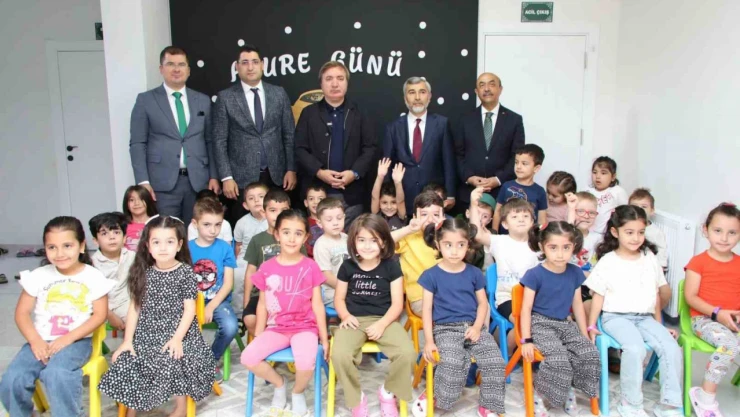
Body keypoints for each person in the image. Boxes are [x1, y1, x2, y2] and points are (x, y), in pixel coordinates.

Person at [98, 215, 215, 416]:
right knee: (129, 360)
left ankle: (181, 407)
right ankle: (132, 408)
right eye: (156, 242)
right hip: (148, 334)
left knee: (173, 358)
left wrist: (177, 339)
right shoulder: (143, 273)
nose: (163, 248)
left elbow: (190, 310)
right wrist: (128, 341)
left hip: (181, 333)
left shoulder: (185, 272)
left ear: (179, 245)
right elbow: (134, 309)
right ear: (148, 246)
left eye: (169, 242)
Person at [0, 217, 112, 417]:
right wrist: (35, 341)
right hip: (40, 341)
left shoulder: (93, 277)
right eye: (52, 247)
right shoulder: (38, 275)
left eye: (67, 246)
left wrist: (67, 338)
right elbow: (21, 313)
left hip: (76, 342)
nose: (60, 254)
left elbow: (100, 315)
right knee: (13, 378)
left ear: (81, 246)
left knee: (57, 374)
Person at [586, 205, 682, 417]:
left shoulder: (649, 257)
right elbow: (598, 296)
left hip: (645, 318)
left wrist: (660, 324)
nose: (636, 238)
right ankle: (630, 403)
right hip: (615, 318)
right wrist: (592, 325)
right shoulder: (608, 261)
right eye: (629, 232)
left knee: (671, 346)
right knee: (635, 348)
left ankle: (669, 403)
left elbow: (655, 294)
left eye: (640, 232)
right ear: (615, 232)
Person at [414, 218, 507, 417]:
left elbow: (483, 304)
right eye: (448, 245)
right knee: (452, 361)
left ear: (468, 245)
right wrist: (429, 341)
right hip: (445, 329)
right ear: (438, 244)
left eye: (460, 245)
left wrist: (477, 327)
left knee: (495, 361)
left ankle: (489, 405)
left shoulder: (475, 273)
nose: (454, 251)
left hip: (474, 327)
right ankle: (435, 395)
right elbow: (427, 310)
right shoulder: (430, 275)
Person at [241, 210, 328, 417]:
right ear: (277, 234)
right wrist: (259, 333)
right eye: (286, 232)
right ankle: (279, 384)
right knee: (248, 357)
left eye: (298, 233)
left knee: (306, 363)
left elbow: (317, 304)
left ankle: (298, 392)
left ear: (306, 237)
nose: (291, 238)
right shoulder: (266, 267)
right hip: (276, 328)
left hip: (304, 328)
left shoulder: (311, 266)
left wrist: (324, 338)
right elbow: (262, 304)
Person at [332, 214, 416, 417]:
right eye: (361, 240)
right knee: (339, 355)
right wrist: (345, 316)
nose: (367, 246)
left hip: (385, 320)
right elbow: (339, 299)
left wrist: (382, 324)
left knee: (407, 353)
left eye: (373, 240)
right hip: (354, 321)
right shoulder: (347, 266)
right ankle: (356, 398)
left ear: (384, 242)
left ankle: (388, 393)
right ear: (353, 242)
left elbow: (397, 304)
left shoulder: (391, 266)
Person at [129, 46, 220, 225]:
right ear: (161, 69)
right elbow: (138, 144)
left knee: (196, 233)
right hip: (161, 184)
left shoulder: (202, 100)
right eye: (170, 64)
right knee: (165, 232)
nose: (176, 69)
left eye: (181, 64)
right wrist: (143, 182)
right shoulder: (146, 100)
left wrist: (214, 176)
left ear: (188, 70)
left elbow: (210, 141)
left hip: (198, 183)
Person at [520, 221, 600, 416]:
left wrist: (584, 334)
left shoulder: (575, 272)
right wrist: (526, 340)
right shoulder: (534, 274)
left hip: (565, 324)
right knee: (558, 360)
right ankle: (539, 393)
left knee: (590, 353)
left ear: (574, 247)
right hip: (541, 324)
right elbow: (526, 309)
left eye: (566, 247)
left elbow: (577, 305)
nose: (560, 254)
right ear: (542, 247)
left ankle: (569, 388)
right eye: (553, 247)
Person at [212, 44, 297, 224]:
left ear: (262, 65)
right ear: (237, 67)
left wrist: (291, 169)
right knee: (245, 228)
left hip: (276, 176)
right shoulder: (225, 97)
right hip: (241, 179)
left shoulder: (279, 93)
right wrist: (226, 177)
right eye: (245, 62)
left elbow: (289, 135)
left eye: (255, 62)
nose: (250, 67)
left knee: (279, 225)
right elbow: (219, 140)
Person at [295, 61, 377, 226]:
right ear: (321, 84)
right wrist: (319, 172)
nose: (334, 84)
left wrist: (354, 173)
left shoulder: (360, 112)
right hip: (317, 194)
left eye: (340, 78)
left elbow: (370, 148)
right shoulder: (309, 113)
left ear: (347, 83)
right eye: (329, 79)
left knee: (351, 240)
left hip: (352, 195)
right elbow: (299, 149)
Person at [684, 203, 740, 417]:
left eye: (732, 232)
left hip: (733, 319)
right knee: (729, 345)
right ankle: (705, 397)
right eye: (718, 231)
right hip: (705, 320)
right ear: (706, 230)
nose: (724, 238)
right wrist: (718, 313)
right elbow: (691, 297)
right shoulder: (698, 262)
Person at [470, 190, 539, 353]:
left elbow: (564, 238)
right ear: (505, 224)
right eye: (514, 217)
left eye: (525, 216)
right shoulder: (499, 241)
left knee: (543, 322)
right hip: (507, 299)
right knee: (525, 322)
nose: (521, 219)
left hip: (535, 299)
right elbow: (477, 234)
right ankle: (507, 352)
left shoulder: (539, 245)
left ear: (532, 222)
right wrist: (473, 204)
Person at [383, 77, 457, 214]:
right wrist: (387, 199)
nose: (417, 97)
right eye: (412, 92)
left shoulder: (442, 124)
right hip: (403, 201)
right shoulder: (393, 128)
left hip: (434, 200)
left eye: (422, 92)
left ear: (429, 96)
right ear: (405, 98)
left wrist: (451, 194)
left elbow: (449, 162)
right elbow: (387, 167)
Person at [453, 72, 525, 212]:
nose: (486, 89)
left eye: (491, 84)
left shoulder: (514, 120)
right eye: (482, 85)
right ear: (476, 91)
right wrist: (470, 177)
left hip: (502, 194)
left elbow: (517, 156)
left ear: (500, 89)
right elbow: (457, 154)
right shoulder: (464, 119)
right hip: (469, 194)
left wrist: (498, 179)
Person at [241, 190, 305, 337]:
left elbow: (303, 269)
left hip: (289, 294)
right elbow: (250, 271)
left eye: (283, 210)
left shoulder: (295, 239)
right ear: (263, 213)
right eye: (273, 210)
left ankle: (280, 341)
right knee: (250, 319)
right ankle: (266, 344)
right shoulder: (257, 240)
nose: (278, 215)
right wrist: (246, 300)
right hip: (260, 295)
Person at [188, 197, 238, 382]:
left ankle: (210, 361)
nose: (213, 230)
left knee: (230, 327)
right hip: (190, 301)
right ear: (195, 224)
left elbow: (228, 284)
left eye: (218, 225)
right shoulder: (186, 249)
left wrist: (210, 306)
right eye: (207, 224)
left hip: (218, 301)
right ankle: (185, 364)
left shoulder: (225, 248)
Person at [391, 191, 446, 316]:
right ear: (415, 217)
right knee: (446, 314)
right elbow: (382, 241)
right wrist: (409, 229)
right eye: (424, 214)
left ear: (443, 216)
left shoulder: (448, 235)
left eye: (436, 214)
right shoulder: (409, 237)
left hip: (448, 292)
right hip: (420, 296)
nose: (430, 219)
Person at [89, 212, 135, 331]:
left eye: (116, 232)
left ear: (124, 238)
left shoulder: (133, 257)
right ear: (95, 240)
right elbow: (90, 297)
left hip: (131, 304)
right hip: (105, 308)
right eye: (104, 233)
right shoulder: (91, 265)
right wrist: (109, 315)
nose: (112, 237)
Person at [492, 144, 547, 232]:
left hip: (528, 238)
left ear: (536, 168)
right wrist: (494, 234)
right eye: (516, 162)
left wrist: (537, 238)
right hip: (505, 237)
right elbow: (497, 212)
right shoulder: (506, 186)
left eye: (524, 163)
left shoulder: (540, 191)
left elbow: (542, 221)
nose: (518, 166)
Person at [233, 182, 269, 310]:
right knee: (238, 274)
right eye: (251, 198)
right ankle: (239, 312)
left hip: (268, 256)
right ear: (246, 205)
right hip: (246, 258)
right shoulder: (241, 223)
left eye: (261, 197)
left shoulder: (273, 220)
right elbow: (238, 246)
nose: (256, 200)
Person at [313, 197, 349, 307]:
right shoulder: (321, 244)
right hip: (332, 294)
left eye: (339, 218)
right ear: (319, 223)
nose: (335, 223)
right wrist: (347, 289)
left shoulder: (347, 238)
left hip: (351, 289)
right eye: (329, 220)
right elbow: (326, 275)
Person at [629, 188, 668, 271]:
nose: (639, 210)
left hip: (648, 268)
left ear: (652, 211)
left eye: (644, 207)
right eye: (634, 206)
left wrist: (660, 267)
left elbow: (661, 251)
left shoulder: (655, 232)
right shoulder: (625, 228)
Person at [587, 156, 627, 235]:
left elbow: (625, 213)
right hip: (588, 233)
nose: (597, 176)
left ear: (613, 177)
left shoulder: (617, 191)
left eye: (603, 173)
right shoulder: (587, 191)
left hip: (607, 235)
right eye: (594, 172)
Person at [565, 192, 602, 272]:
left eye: (591, 213)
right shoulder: (566, 235)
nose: (586, 216)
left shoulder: (599, 239)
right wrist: (571, 209)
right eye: (581, 211)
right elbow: (569, 230)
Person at [371, 158, 407, 231]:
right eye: (384, 202)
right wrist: (380, 177)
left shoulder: (400, 216)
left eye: (393, 202)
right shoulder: (377, 215)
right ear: (379, 203)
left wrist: (398, 182)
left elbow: (400, 201)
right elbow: (374, 197)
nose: (389, 207)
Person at [122, 185, 158, 251]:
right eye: (132, 200)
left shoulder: (157, 223)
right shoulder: (122, 225)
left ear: (148, 201)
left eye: (141, 199)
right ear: (126, 204)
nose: (137, 203)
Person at [304, 182, 328, 257]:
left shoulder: (333, 222)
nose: (316, 202)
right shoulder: (303, 224)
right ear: (306, 203)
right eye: (311, 199)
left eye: (320, 199)